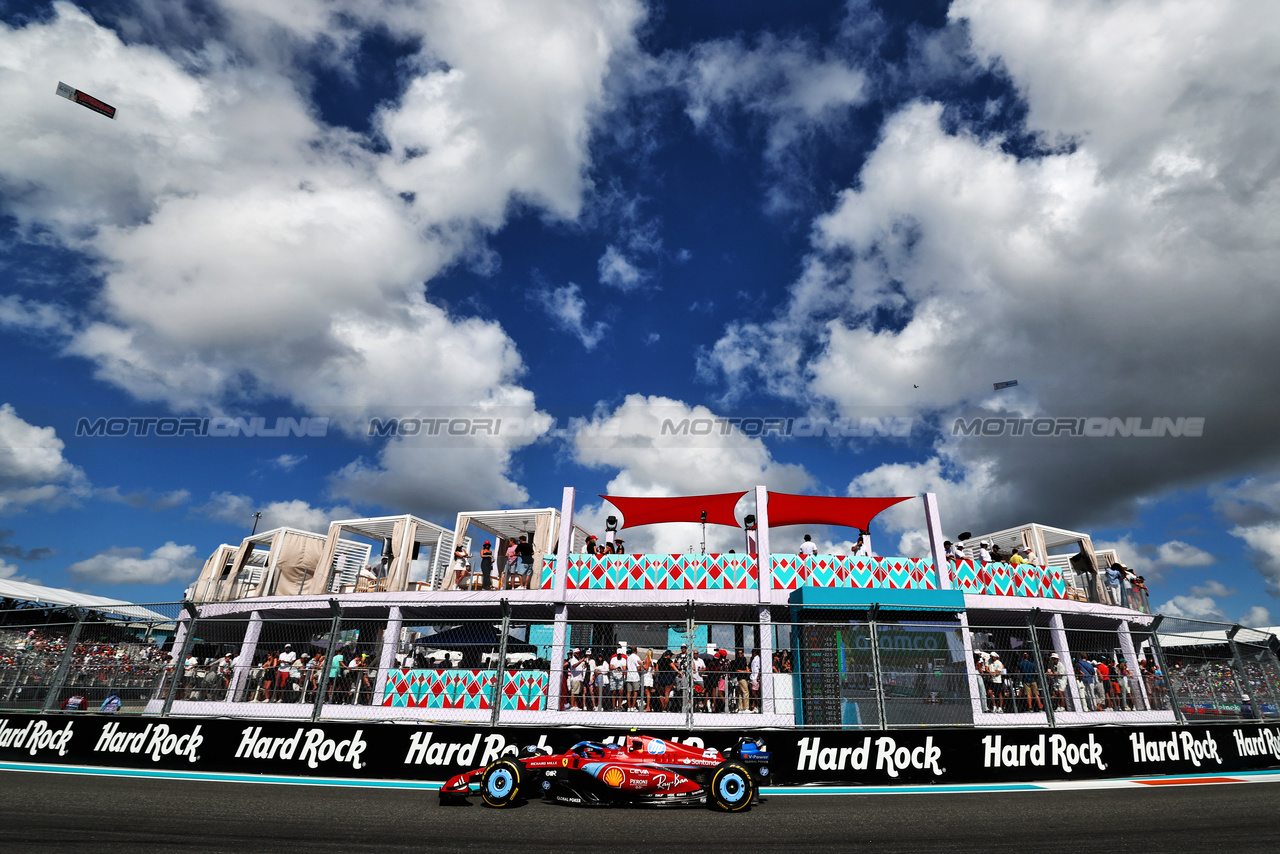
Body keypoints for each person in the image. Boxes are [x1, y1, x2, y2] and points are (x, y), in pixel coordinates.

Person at [625, 645, 642, 711]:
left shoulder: (628, 657)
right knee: (635, 692)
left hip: (629, 676)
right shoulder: (637, 657)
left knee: (628, 692)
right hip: (635, 676)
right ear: (636, 651)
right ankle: (633, 706)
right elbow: (638, 668)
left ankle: (629, 707)